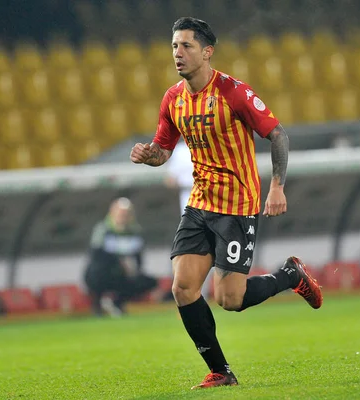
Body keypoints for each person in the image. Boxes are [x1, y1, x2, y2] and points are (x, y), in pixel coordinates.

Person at [130, 17, 323, 389]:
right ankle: (221, 371)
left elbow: (278, 134)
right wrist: (148, 154)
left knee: (230, 299)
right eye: (174, 46)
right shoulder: (173, 99)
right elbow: (164, 152)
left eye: (186, 46)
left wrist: (277, 187)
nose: (178, 53)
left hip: (237, 206)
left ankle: (289, 276)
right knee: (183, 288)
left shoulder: (233, 92)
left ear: (207, 52)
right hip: (200, 203)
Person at [84, 197, 158, 317]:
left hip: (124, 274)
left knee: (148, 281)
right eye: (120, 213)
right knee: (95, 274)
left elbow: (138, 258)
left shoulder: (135, 231)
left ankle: (117, 302)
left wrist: (132, 269)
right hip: (104, 272)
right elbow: (95, 256)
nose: (123, 217)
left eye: (127, 214)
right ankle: (97, 306)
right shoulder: (103, 230)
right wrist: (118, 263)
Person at [165, 140, 215, 300]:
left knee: (212, 254)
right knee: (191, 255)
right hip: (190, 212)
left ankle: (205, 296)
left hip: (216, 209)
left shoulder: (213, 143)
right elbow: (170, 180)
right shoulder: (180, 151)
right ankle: (196, 298)